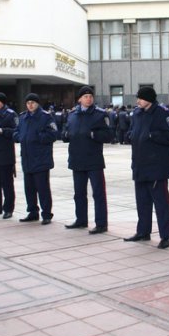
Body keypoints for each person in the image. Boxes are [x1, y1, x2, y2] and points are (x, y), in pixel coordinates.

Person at [124, 86, 169, 249]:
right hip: (140, 164)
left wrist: (151, 135)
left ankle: (165, 236)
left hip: (156, 166)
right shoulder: (137, 113)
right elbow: (133, 131)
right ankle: (143, 231)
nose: (137, 101)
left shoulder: (163, 113)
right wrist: (131, 135)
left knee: (161, 203)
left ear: (148, 98)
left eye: (140, 98)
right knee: (142, 201)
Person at [62, 86, 113, 234]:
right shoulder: (72, 114)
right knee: (79, 193)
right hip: (76, 159)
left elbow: (109, 135)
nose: (88, 98)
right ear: (79, 99)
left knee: (98, 193)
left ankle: (101, 223)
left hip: (93, 160)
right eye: (85, 96)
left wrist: (93, 135)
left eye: (90, 96)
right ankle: (81, 220)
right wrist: (65, 134)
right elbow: (65, 130)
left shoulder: (100, 115)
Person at [13, 93, 58, 224]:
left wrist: (37, 137)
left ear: (37, 103)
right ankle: (32, 212)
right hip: (27, 158)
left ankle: (47, 214)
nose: (30, 105)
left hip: (41, 158)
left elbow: (53, 134)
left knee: (42, 188)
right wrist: (19, 137)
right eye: (28, 103)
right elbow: (16, 131)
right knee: (29, 188)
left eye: (33, 102)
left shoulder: (45, 117)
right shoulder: (22, 117)